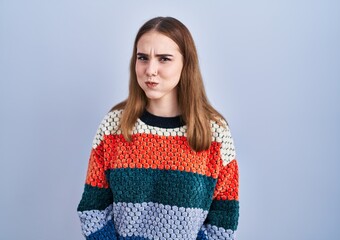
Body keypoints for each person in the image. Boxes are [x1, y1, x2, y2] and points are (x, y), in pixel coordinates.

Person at [77, 16, 240, 240]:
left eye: (164, 59)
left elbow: (223, 218)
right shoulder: (114, 126)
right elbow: (93, 210)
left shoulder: (215, 133)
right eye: (143, 58)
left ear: (186, 63)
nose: (150, 69)